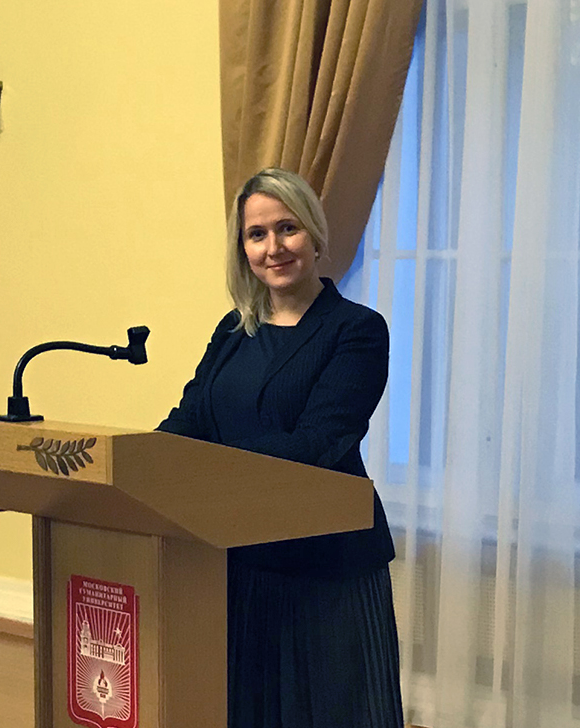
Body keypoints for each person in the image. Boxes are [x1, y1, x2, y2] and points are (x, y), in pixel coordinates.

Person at [157, 168, 402, 728]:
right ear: (243, 250)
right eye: (257, 234)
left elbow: (319, 440)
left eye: (287, 228)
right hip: (237, 556)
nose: (274, 247)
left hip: (326, 563)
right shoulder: (233, 329)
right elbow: (191, 418)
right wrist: (139, 464)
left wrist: (209, 472)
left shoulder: (357, 330)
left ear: (315, 234)